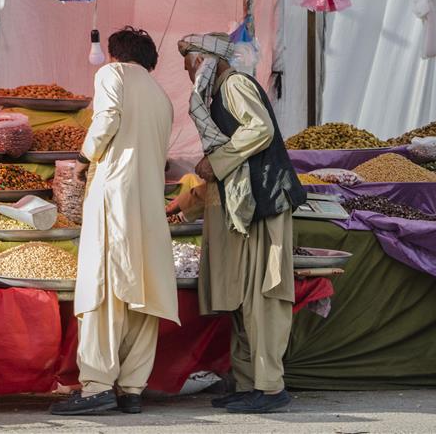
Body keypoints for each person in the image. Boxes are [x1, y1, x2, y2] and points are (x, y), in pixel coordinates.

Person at [173, 32, 306, 414]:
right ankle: (249, 384)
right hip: (243, 210)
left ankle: (269, 387)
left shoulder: (234, 84)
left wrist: (215, 163)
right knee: (243, 301)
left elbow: (259, 130)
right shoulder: (220, 94)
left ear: (203, 61)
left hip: (264, 205)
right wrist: (187, 204)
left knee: (263, 297)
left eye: (188, 62)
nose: (185, 70)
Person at [50, 27, 178, 416]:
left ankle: (97, 386)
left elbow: (106, 118)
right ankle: (132, 388)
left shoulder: (113, 74)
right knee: (144, 290)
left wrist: (85, 157)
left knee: (103, 289)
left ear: (114, 54)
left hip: (114, 195)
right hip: (149, 204)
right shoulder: (161, 96)